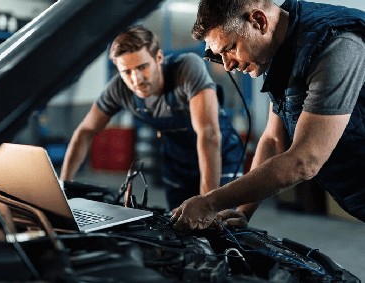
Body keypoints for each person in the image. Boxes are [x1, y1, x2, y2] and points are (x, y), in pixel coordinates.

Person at [171, 0, 365, 232]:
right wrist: (242, 212)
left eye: (229, 48)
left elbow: (305, 161)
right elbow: (274, 140)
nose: (228, 65)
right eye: (218, 56)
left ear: (259, 21)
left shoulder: (336, 45)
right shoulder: (281, 53)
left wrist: (210, 202)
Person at [60, 25, 244, 211]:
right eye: (127, 72)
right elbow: (85, 131)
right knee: (180, 227)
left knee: (220, 226)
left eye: (143, 67)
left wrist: (206, 205)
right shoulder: (118, 89)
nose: (136, 79)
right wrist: (64, 187)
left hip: (220, 154)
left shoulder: (186, 69)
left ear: (159, 58)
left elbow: (208, 134)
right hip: (177, 162)